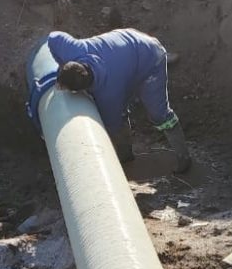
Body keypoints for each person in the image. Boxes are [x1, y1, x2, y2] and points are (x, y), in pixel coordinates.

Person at [47, 28, 192, 173]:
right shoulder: (74, 50)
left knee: (159, 114)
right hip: (128, 44)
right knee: (121, 101)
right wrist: (61, 64)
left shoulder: (109, 95)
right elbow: (53, 37)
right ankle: (127, 157)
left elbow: (114, 125)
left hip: (151, 60)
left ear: (80, 89)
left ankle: (183, 158)